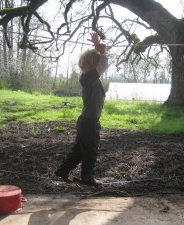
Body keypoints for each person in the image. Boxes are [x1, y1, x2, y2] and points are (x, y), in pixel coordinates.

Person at [55, 32, 108, 186]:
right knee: (91, 151)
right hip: (89, 123)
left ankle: (62, 171)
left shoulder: (90, 78)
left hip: (85, 122)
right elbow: (103, 65)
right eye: (96, 64)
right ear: (92, 66)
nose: (100, 68)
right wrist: (102, 51)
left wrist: (97, 49)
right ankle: (87, 178)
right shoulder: (88, 79)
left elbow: (98, 65)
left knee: (79, 150)